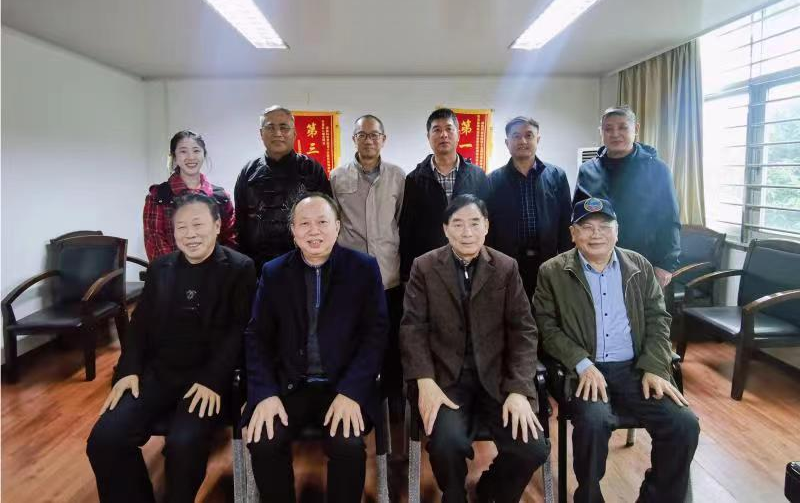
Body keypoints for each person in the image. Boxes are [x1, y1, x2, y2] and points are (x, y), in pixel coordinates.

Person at [87, 193, 256, 503]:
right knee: (105, 439)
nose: (190, 234)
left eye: (198, 225)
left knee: (183, 443)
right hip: (158, 373)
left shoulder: (239, 268)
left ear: (217, 225)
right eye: (182, 227)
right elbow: (140, 325)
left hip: (206, 379)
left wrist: (213, 379)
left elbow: (239, 331)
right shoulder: (161, 268)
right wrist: (129, 370)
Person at [534, 197, 699, 503]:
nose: (596, 234)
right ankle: (588, 496)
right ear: (573, 233)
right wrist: (581, 363)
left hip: (637, 369)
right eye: (586, 227)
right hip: (584, 372)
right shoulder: (552, 271)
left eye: (604, 226)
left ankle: (657, 497)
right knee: (593, 423)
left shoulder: (639, 266)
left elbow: (659, 319)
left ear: (617, 231)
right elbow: (546, 327)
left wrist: (655, 366)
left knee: (683, 425)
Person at [400, 194, 549, 502]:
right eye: (458, 224)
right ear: (445, 229)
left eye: (474, 223)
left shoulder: (506, 267)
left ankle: (491, 488)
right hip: (445, 381)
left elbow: (524, 331)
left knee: (532, 448)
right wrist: (425, 381)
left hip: (499, 381)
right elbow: (413, 329)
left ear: (486, 226)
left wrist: (519, 390)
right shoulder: (424, 267)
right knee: (446, 444)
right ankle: (454, 494)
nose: (467, 232)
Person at [244, 193, 388, 502]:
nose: (314, 231)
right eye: (305, 224)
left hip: (342, 386)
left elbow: (375, 336)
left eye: (322, 222)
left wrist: (352, 391)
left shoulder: (363, 268)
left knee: (348, 444)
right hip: (289, 386)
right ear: (293, 231)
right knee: (264, 440)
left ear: (337, 226)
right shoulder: (273, 272)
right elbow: (256, 337)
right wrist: (265, 393)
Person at [330, 114, 406, 420]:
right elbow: (334, 222)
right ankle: (357, 397)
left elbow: (399, 219)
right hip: (351, 278)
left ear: (383, 140)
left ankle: (393, 399)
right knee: (354, 339)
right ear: (354, 139)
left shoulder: (398, 177)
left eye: (375, 135)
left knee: (390, 340)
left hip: (389, 276)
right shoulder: (337, 177)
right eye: (362, 135)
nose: (369, 140)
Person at [574, 106, 681, 288]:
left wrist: (666, 264)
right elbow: (577, 218)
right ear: (601, 132)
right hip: (596, 262)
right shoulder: (587, 170)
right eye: (608, 129)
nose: (615, 134)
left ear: (636, 129)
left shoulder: (657, 170)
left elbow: (669, 219)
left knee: (639, 307)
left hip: (643, 262)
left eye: (622, 127)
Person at [234, 105, 332, 271]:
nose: (277, 133)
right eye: (270, 127)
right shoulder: (248, 173)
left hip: (304, 263)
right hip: (258, 267)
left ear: (294, 133)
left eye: (284, 127)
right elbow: (240, 224)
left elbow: (327, 219)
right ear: (261, 134)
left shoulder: (312, 170)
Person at [486, 116, 572, 300]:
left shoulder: (557, 176)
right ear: (507, 142)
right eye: (516, 136)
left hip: (548, 262)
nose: (523, 141)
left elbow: (566, 223)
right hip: (507, 264)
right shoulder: (492, 180)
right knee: (511, 311)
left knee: (546, 310)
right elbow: (488, 227)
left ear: (537, 139)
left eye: (529, 135)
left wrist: (566, 261)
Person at [399, 108, 489, 281]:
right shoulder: (414, 179)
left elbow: (487, 221)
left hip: (471, 264)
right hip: (430, 267)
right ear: (428, 137)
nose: (444, 135)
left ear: (458, 134)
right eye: (437, 130)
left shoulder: (477, 175)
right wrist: (406, 274)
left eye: (449, 129)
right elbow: (407, 230)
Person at [143, 130, 236, 261]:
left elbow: (230, 239)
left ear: (204, 154)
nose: (191, 157)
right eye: (183, 151)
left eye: (196, 151)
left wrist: (219, 267)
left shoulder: (221, 197)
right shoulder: (158, 196)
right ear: (174, 156)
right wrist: (178, 269)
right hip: (172, 271)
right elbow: (154, 240)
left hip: (216, 271)